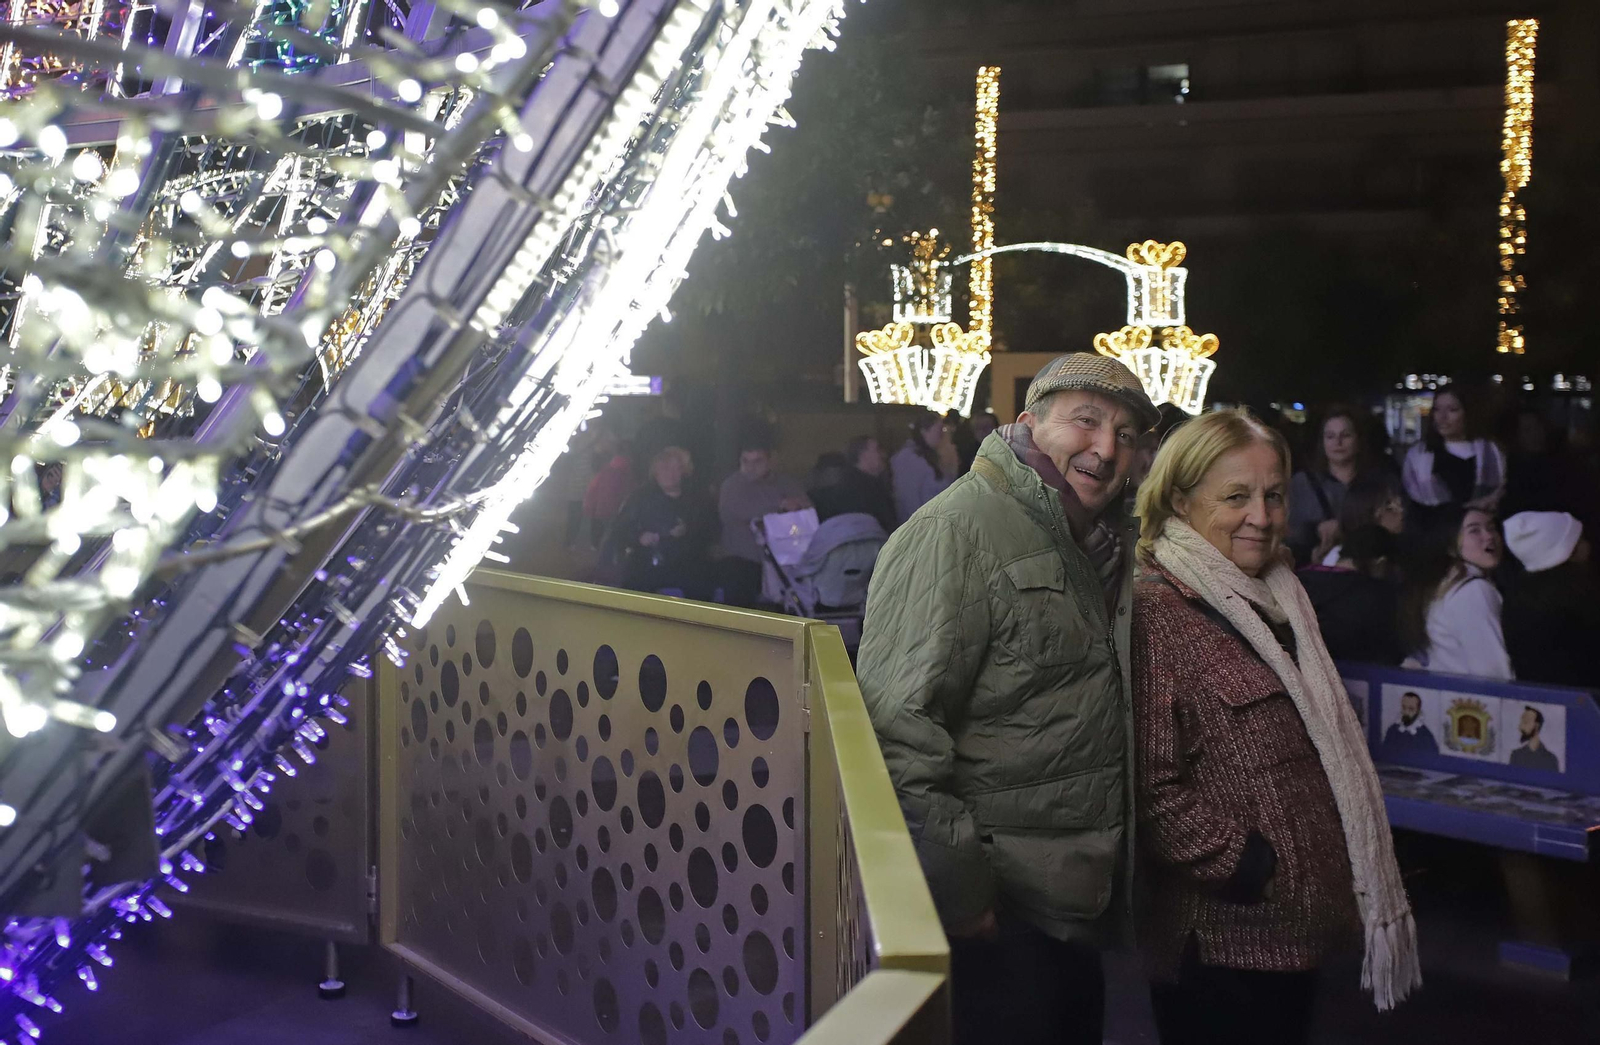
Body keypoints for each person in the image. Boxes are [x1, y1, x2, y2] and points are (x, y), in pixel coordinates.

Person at [858, 354, 1160, 1045]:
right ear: (1027, 424)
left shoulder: (1094, 543)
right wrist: (964, 895)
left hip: (1070, 906)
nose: (1106, 447)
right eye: (1085, 420)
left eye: (1125, 433)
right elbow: (897, 728)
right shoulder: (956, 529)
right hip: (1001, 916)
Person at [1132, 408, 1419, 1045]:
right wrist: (1255, 867)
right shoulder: (1157, 607)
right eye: (1235, 497)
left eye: (1274, 495)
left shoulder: (1281, 593)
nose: (1260, 517)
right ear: (1181, 499)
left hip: (1293, 937)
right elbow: (1151, 788)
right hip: (1219, 941)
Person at [1399, 506, 1513, 680]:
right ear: (1451, 543)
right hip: (1473, 703)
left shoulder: (1442, 584)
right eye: (1474, 530)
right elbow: (1493, 670)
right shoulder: (1474, 591)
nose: (1489, 536)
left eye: (1491, 528)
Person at [1501, 511, 1600, 689]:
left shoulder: (1516, 596)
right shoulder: (1578, 599)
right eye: (1581, 539)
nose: (1589, 545)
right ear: (1569, 551)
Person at [599, 446, 713, 598]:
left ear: (684, 472)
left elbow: (709, 531)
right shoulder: (639, 497)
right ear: (656, 472)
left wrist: (687, 530)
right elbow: (620, 529)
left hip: (686, 562)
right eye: (664, 469)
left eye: (675, 469)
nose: (670, 474)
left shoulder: (696, 498)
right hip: (646, 560)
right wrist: (640, 536)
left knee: (701, 585)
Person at [717, 430, 807, 607]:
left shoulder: (786, 483)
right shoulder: (732, 485)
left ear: (770, 460)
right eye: (745, 461)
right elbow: (734, 511)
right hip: (743, 560)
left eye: (757, 461)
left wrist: (793, 506)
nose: (751, 466)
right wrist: (779, 504)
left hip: (784, 561)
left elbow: (805, 508)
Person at [1401, 388, 1506, 532]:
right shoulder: (1418, 455)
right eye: (1437, 409)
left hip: (1480, 531)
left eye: (1452, 410)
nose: (1442, 417)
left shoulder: (1490, 451)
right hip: (1433, 532)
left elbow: (1498, 493)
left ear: (1467, 413)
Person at [1288, 406, 1365, 565]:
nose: (1338, 442)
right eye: (1330, 436)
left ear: (1358, 439)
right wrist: (1315, 530)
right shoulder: (1302, 483)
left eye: (1346, 435)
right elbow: (1287, 531)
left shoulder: (1378, 481)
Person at [810, 436, 895, 532]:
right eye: (877, 450)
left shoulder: (852, 485)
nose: (883, 455)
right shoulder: (869, 489)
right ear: (863, 455)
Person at [891, 411, 958, 524]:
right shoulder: (910, 459)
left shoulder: (932, 457)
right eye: (939, 431)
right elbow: (910, 499)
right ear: (924, 431)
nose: (943, 436)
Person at [1379, 692, 1440, 761]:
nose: (1406, 712)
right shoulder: (1392, 730)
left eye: (1411, 709)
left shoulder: (1426, 736)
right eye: (1404, 707)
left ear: (1418, 711)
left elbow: (1433, 760)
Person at [1508, 706, 1560, 771]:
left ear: (1536, 726)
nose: (1520, 727)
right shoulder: (1516, 756)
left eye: (1525, 722)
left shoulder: (1551, 759)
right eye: (1521, 722)